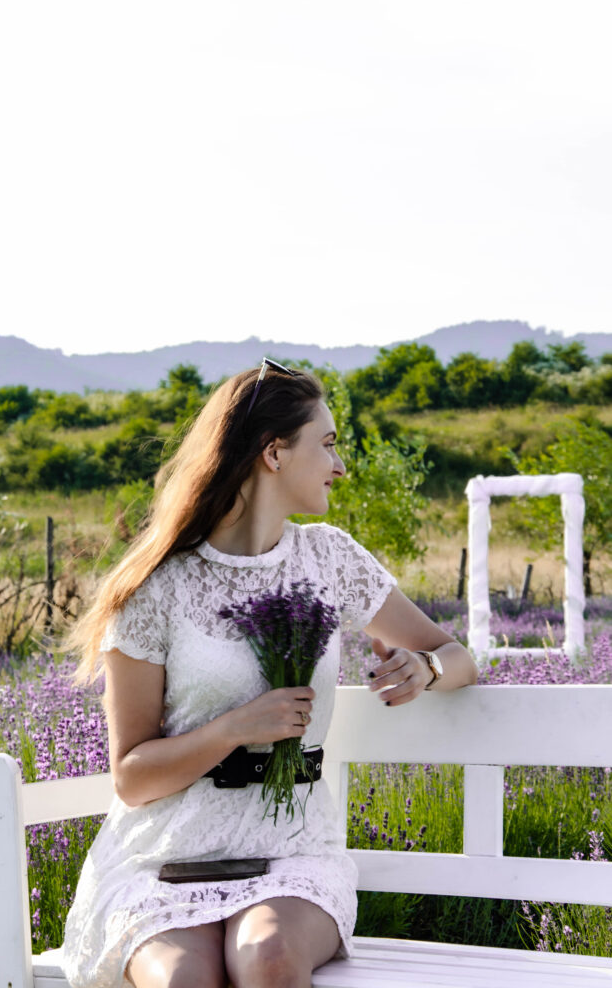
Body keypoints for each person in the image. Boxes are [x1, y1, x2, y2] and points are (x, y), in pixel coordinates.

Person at [61, 360, 478, 988]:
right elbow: (132, 778)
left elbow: (460, 656)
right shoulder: (156, 588)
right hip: (165, 858)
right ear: (274, 453)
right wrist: (234, 729)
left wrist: (424, 667)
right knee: (181, 978)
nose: (341, 465)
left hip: (294, 854)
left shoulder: (330, 559)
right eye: (329, 444)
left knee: (268, 957)